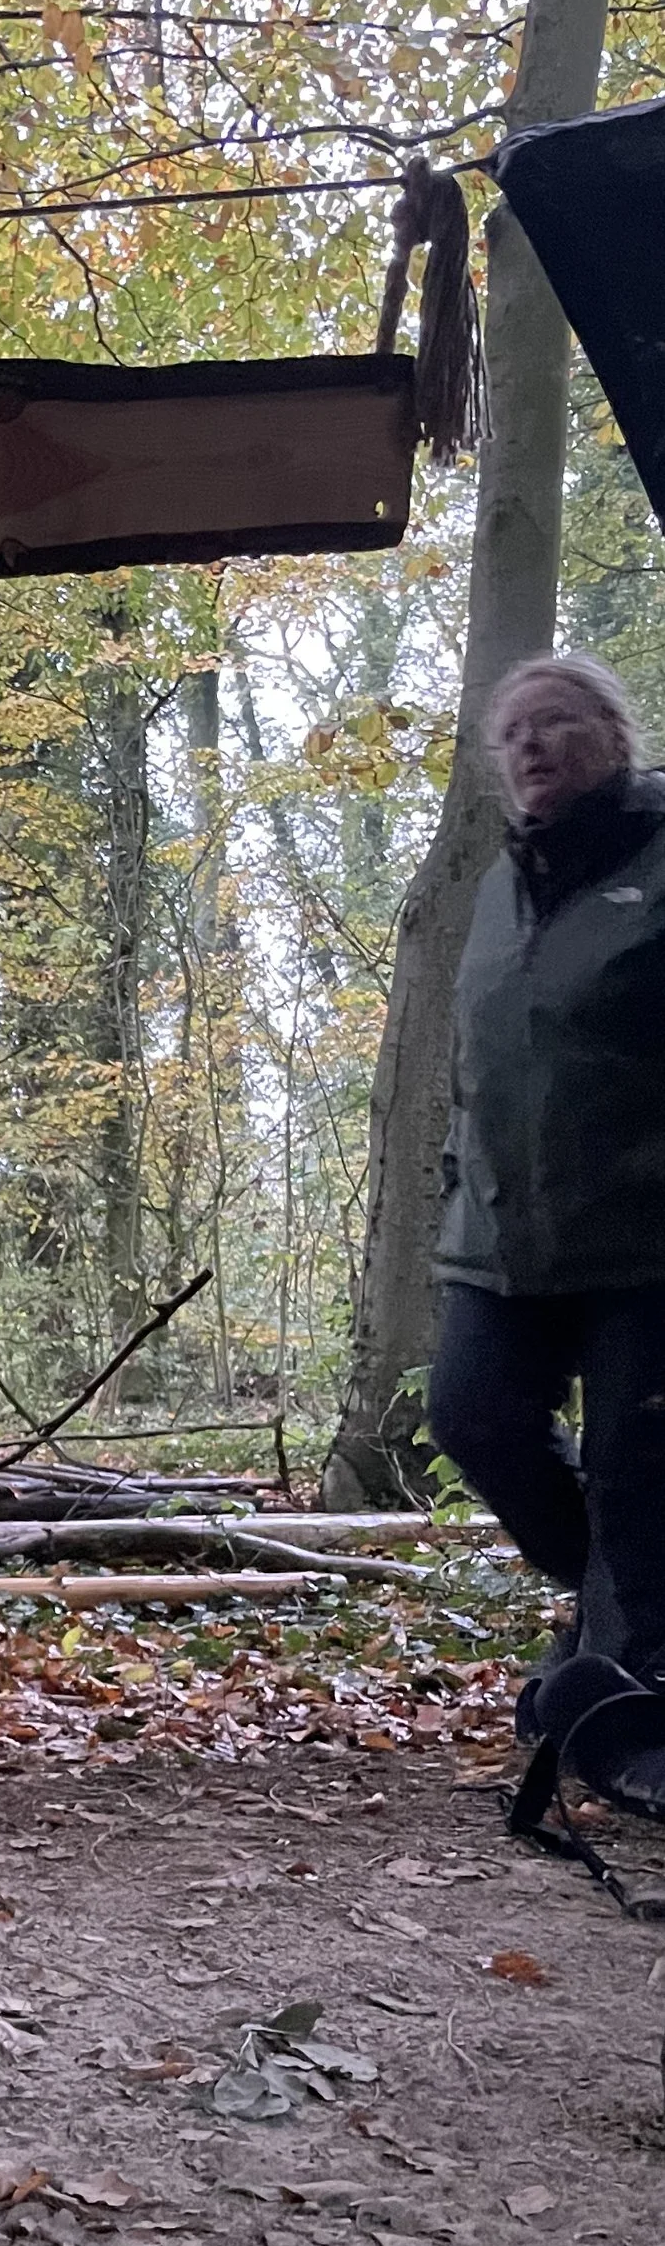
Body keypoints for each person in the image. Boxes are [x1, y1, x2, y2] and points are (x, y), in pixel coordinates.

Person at [429, 651, 665, 1719]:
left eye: (555, 721)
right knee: (473, 1418)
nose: (530, 744)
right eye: (511, 731)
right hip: (499, 1238)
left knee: (636, 1469)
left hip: (643, 1247)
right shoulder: (499, 886)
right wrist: (457, 1180)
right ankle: (615, 1613)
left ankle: (628, 1694)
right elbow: (476, 1060)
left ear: (614, 735)